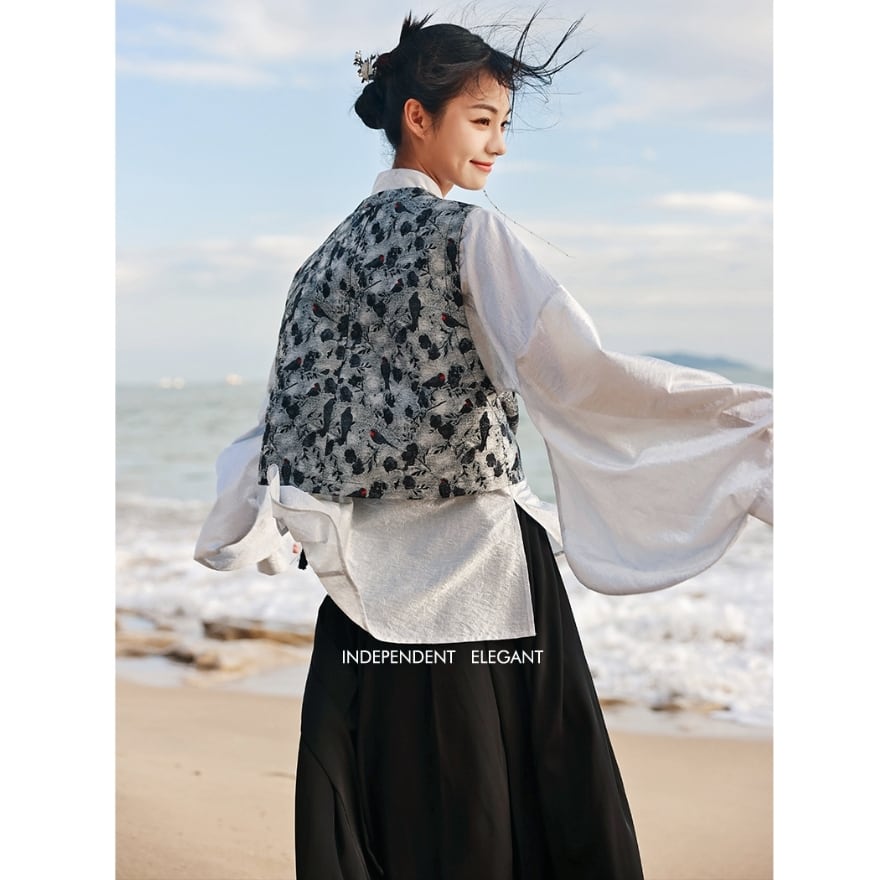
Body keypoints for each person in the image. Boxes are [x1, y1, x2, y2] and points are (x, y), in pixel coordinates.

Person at [194, 11, 772, 880]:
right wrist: (746, 421)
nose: (497, 145)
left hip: (361, 593)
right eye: (481, 120)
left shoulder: (317, 265)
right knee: (507, 816)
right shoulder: (471, 235)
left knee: (400, 823)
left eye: (502, 124)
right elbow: (580, 376)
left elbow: (282, 423)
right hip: (482, 577)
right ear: (417, 117)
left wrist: (258, 521)